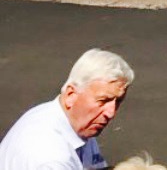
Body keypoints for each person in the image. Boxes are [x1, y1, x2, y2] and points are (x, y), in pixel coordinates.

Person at [0, 48, 134, 170]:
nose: (111, 113)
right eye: (102, 101)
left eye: (118, 102)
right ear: (71, 95)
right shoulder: (49, 157)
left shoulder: (79, 123)